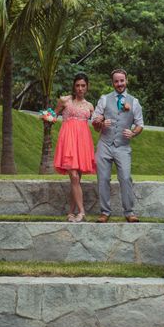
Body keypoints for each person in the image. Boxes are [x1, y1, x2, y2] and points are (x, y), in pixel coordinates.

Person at [91, 69, 144, 223]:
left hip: (123, 146)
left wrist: (133, 133)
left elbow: (140, 124)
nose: (119, 84)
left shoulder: (134, 102)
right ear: (112, 83)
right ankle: (105, 212)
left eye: (122, 81)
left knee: (126, 178)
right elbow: (94, 122)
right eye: (116, 81)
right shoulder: (104, 99)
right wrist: (101, 122)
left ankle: (129, 212)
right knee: (103, 178)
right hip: (105, 144)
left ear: (126, 81)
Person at [53, 73, 97, 222]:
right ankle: (82, 212)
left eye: (83, 85)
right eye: (77, 85)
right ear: (74, 86)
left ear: (87, 87)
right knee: (73, 175)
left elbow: (97, 124)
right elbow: (54, 115)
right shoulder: (65, 100)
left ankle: (71, 212)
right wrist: (48, 118)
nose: (80, 88)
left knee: (76, 179)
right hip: (68, 140)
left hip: (83, 141)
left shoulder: (90, 106)